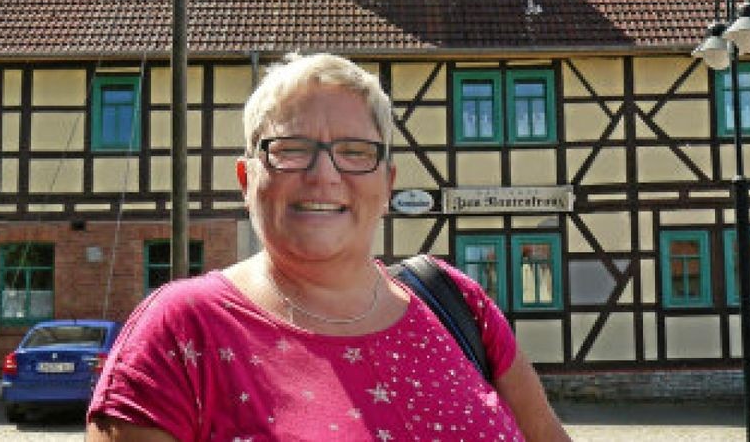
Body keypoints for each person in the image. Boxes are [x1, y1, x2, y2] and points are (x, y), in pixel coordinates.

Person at [87, 52, 570, 441]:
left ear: (386, 183)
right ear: (246, 178)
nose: (324, 176)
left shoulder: (454, 300)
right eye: (291, 149)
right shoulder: (178, 332)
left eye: (355, 152)